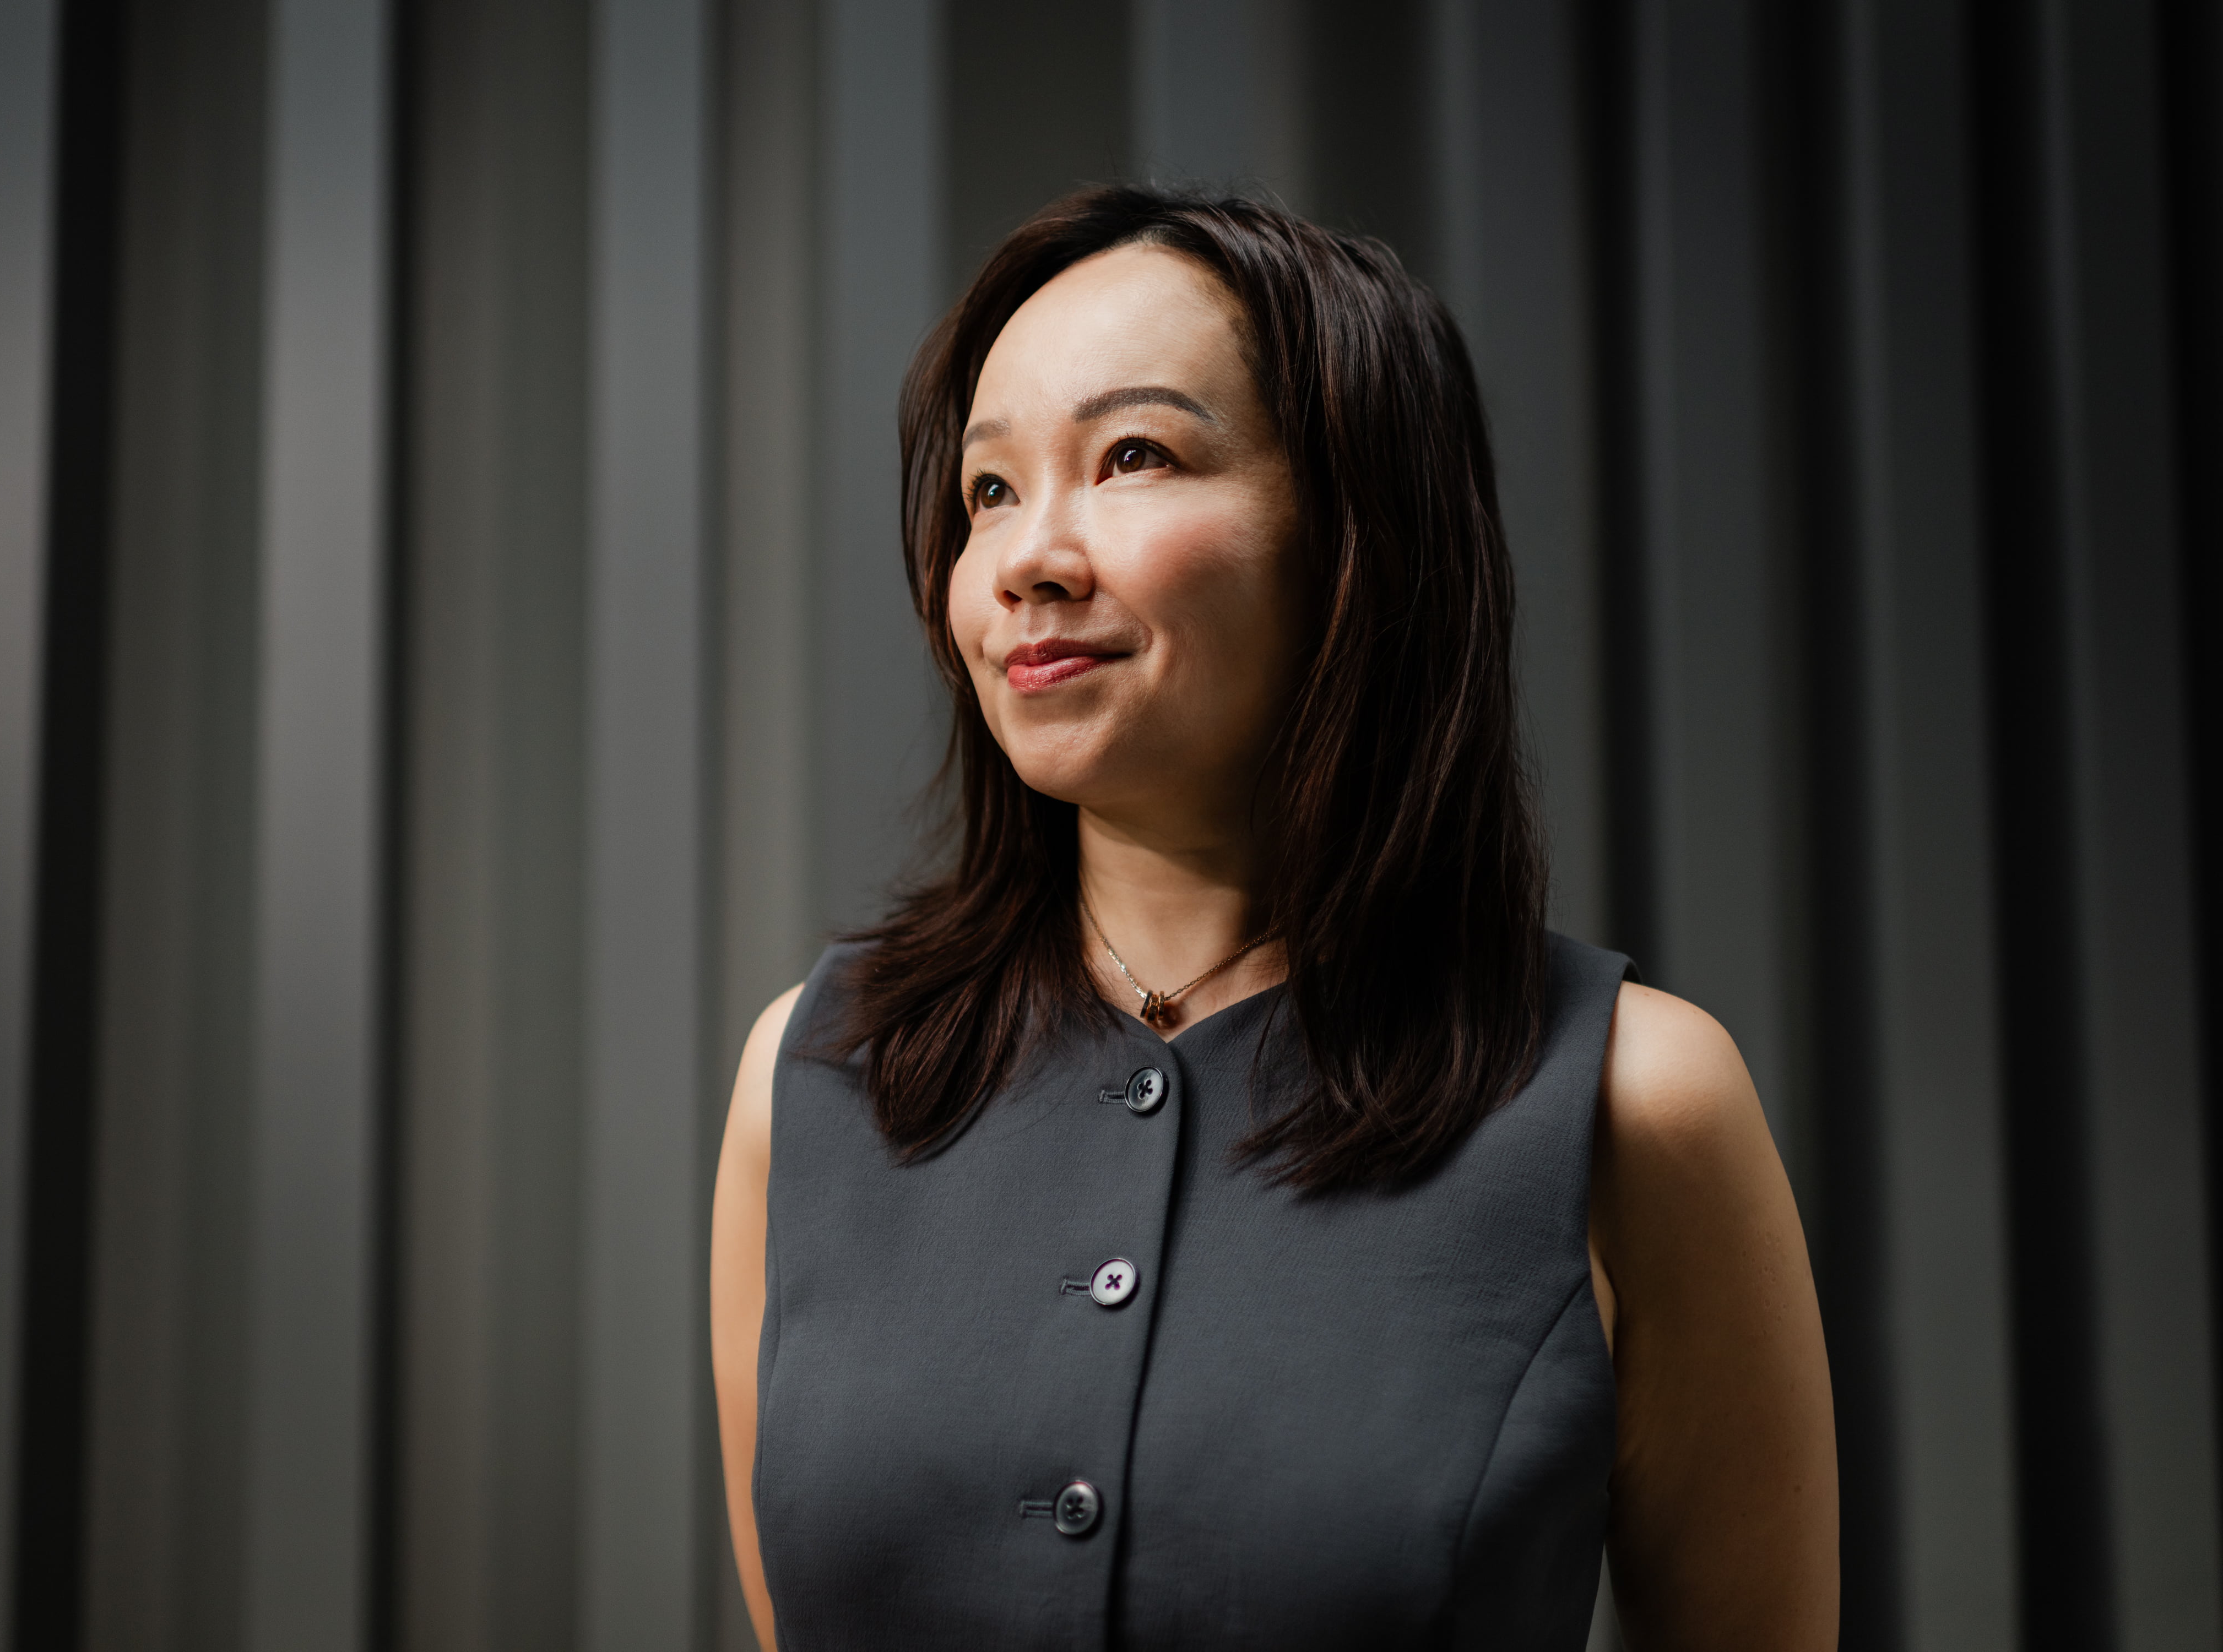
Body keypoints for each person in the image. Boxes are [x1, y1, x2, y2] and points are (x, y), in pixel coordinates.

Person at [710, 187, 1837, 1650]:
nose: (1026, 560)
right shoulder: (812, 1076)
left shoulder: (1633, 1100)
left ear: (1356, 534)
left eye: (1132, 456)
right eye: (987, 490)